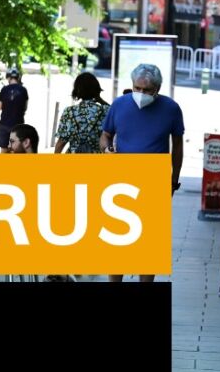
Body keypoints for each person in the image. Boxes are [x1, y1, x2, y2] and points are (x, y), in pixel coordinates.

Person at [100, 63, 184, 283]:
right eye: (137, 88)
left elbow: (177, 145)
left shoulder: (171, 108)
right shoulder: (119, 105)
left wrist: (174, 180)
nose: (141, 93)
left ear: (157, 89)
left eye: (147, 90)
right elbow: (105, 135)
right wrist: (107, 149)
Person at [55, 72, 110, 154]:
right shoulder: (106, 110)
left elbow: (61, 142)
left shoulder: (69, 112)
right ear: (97, 89)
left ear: (77, 90)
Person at [0, 68, 28, 153]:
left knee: (4, 149)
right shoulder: (23, 90)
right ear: (18, 78)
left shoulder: (4, 89)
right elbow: (25, 108)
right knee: (15, 150)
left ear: (8, 77)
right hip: (18, 125)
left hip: (4, 124)